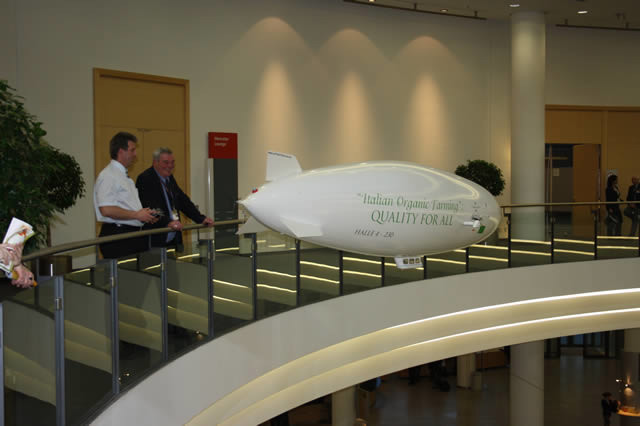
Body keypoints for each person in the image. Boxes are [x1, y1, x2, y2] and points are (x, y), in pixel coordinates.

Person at [94, 132, 158, 258]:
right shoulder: (108, 175)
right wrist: (136, 215)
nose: (135, 154)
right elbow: (106, 209)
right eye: (132, 150)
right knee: (125, 271)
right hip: (119, 237)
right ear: (120, 151)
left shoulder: (123, 176)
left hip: (131, 236)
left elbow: (126, 205)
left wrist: (144, 215)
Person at [135, 147, 213, 249]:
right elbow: (151, 207)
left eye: (172, 162)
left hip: (172, 239)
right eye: (166, 162)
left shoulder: (169, 178)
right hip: (154, 240)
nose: (170, 166)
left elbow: (182, 200)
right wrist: (168, 222)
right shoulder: (145, 178)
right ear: (155, 162)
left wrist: (200, 218)